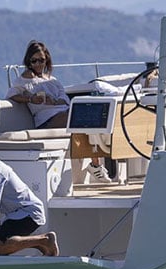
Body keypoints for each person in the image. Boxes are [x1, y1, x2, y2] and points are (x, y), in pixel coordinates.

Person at [7, 40, 112, 183]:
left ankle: (96, 164)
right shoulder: (23, 80)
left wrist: (55, 101)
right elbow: (12, 95)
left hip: (63, 112)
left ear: (47, 59)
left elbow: (65, 99)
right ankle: (95, 166)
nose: (38, 64)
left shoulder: (53, 80)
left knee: (92, 118)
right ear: (28, 62)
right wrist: (31, 98)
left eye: (41, 60)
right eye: (34, 61)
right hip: (46, 119)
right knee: (82, 119)